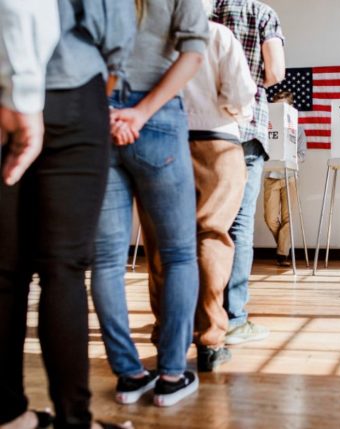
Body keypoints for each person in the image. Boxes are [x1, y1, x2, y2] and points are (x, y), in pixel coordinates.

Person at [0, 0, 137, 428]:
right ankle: (75, 422)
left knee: (4, 270)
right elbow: (115, 26)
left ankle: (9, 416)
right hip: (71, 88)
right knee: (64, 269)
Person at [90, 0, 208, 408]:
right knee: (178, 255)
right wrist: (140, 112)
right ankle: (172, 375)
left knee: (106, 261)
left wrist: (102, 111)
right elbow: (193, 54)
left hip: (101, 116)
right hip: (156, 117)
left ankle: (129, 375)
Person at [142, 0, 257, 373]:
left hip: (160, 141)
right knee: (211, 235)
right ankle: (209, 340)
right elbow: (241, 93)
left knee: (161, 241)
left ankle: (166, 333)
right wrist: (233, 111)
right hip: (217, 143)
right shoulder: (219, 35)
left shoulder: (149, 37)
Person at [211, 0, 286, 345]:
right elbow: (276, 72)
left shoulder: (207, 11)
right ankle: (236, 317)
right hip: (248, 128)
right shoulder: (263, 13)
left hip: (208, 129)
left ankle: (205, 314)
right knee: (241, 224)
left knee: (209, 223)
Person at [263, 90, 306, 267]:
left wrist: (292, 158)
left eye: (284, 105)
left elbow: (302, 154)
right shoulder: (267, 125)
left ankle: (282, 254)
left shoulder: (298, 128)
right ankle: (284, 245)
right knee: (270, 218)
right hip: (271, 175)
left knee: (288, 218)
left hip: (290, 176)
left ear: (290, 107)